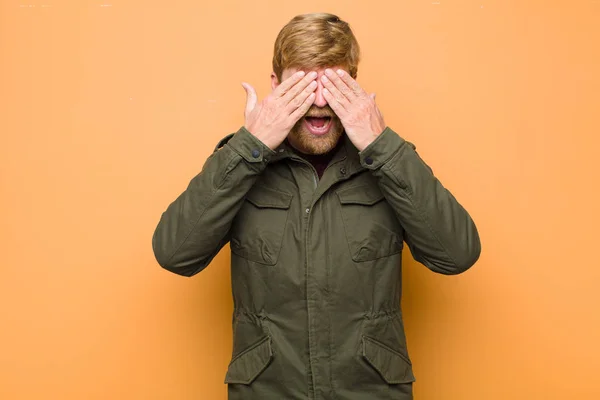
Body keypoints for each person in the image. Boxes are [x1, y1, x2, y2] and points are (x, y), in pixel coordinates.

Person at [152, 12, 481, 400]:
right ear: (275, 85)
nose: (320, 103)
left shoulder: (389, 161)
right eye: (304, 86)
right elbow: (174, 254)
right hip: (267, 390)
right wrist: (249, 146)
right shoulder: (240, 162)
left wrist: (382, 147)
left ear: (354, 85)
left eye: (334, 84)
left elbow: (457, 254)